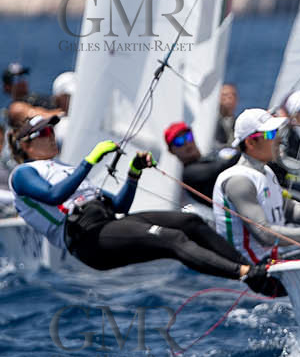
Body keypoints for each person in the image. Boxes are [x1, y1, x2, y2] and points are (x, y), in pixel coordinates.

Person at [7, 114, 282, 294]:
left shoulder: (64, 168)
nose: (51, 135)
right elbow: (54, 196)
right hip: (86, 240)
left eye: (51, 130)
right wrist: (90, 160)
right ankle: (247, 274)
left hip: (106, 224)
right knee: (172, 239)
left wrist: (134, 172)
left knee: (190, 222)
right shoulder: (23, 174)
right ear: (27, 146)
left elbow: (119, 206)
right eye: (43, 134)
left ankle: (256, 275)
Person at [212, 108, 300, 263]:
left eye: (277, 131)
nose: (279, 139)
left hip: (272, 260)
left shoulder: (266, 171)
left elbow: (285, 209)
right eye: (270, 134)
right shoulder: (239, 181)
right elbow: (265, 234)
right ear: (251, 142)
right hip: (251, 270)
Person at [164, 121, 239, 201]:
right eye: (179, 141)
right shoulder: (189, 174)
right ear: (171, 151)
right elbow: (220, 168)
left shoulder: (212, 154)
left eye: (188, 136)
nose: (186, 143)